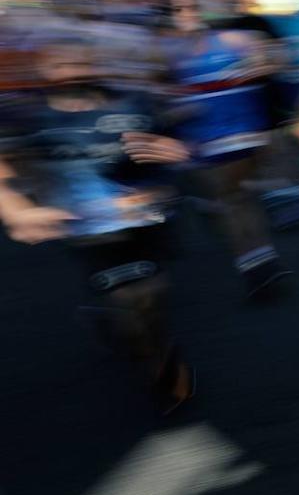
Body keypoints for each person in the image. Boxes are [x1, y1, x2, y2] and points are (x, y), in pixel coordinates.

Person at [0, 36, 194, 413]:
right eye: (62, 64)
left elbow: (177, 142)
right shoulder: (29, 115)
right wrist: (15, 210)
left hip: (148, 219)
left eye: (81, 63)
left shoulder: (135, 103)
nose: (73, 72)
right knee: (131, 303)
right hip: (86, 228)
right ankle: (153, 360)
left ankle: (136, 338)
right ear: (45, 69)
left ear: (97, 64)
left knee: (152, 299)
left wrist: (180, 153)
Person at [159, 0, 290, 299]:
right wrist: (174, 107)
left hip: (240, 134)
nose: (186, 13)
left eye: (192, 6)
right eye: (179, 8)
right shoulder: (166, 50)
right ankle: (261, 262)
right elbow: (157, 91)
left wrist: (262, 65)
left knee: (232, 201)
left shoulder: (234, 39)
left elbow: (279, 59)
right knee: (237, 201)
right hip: (199, 138)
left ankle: (255, 266)